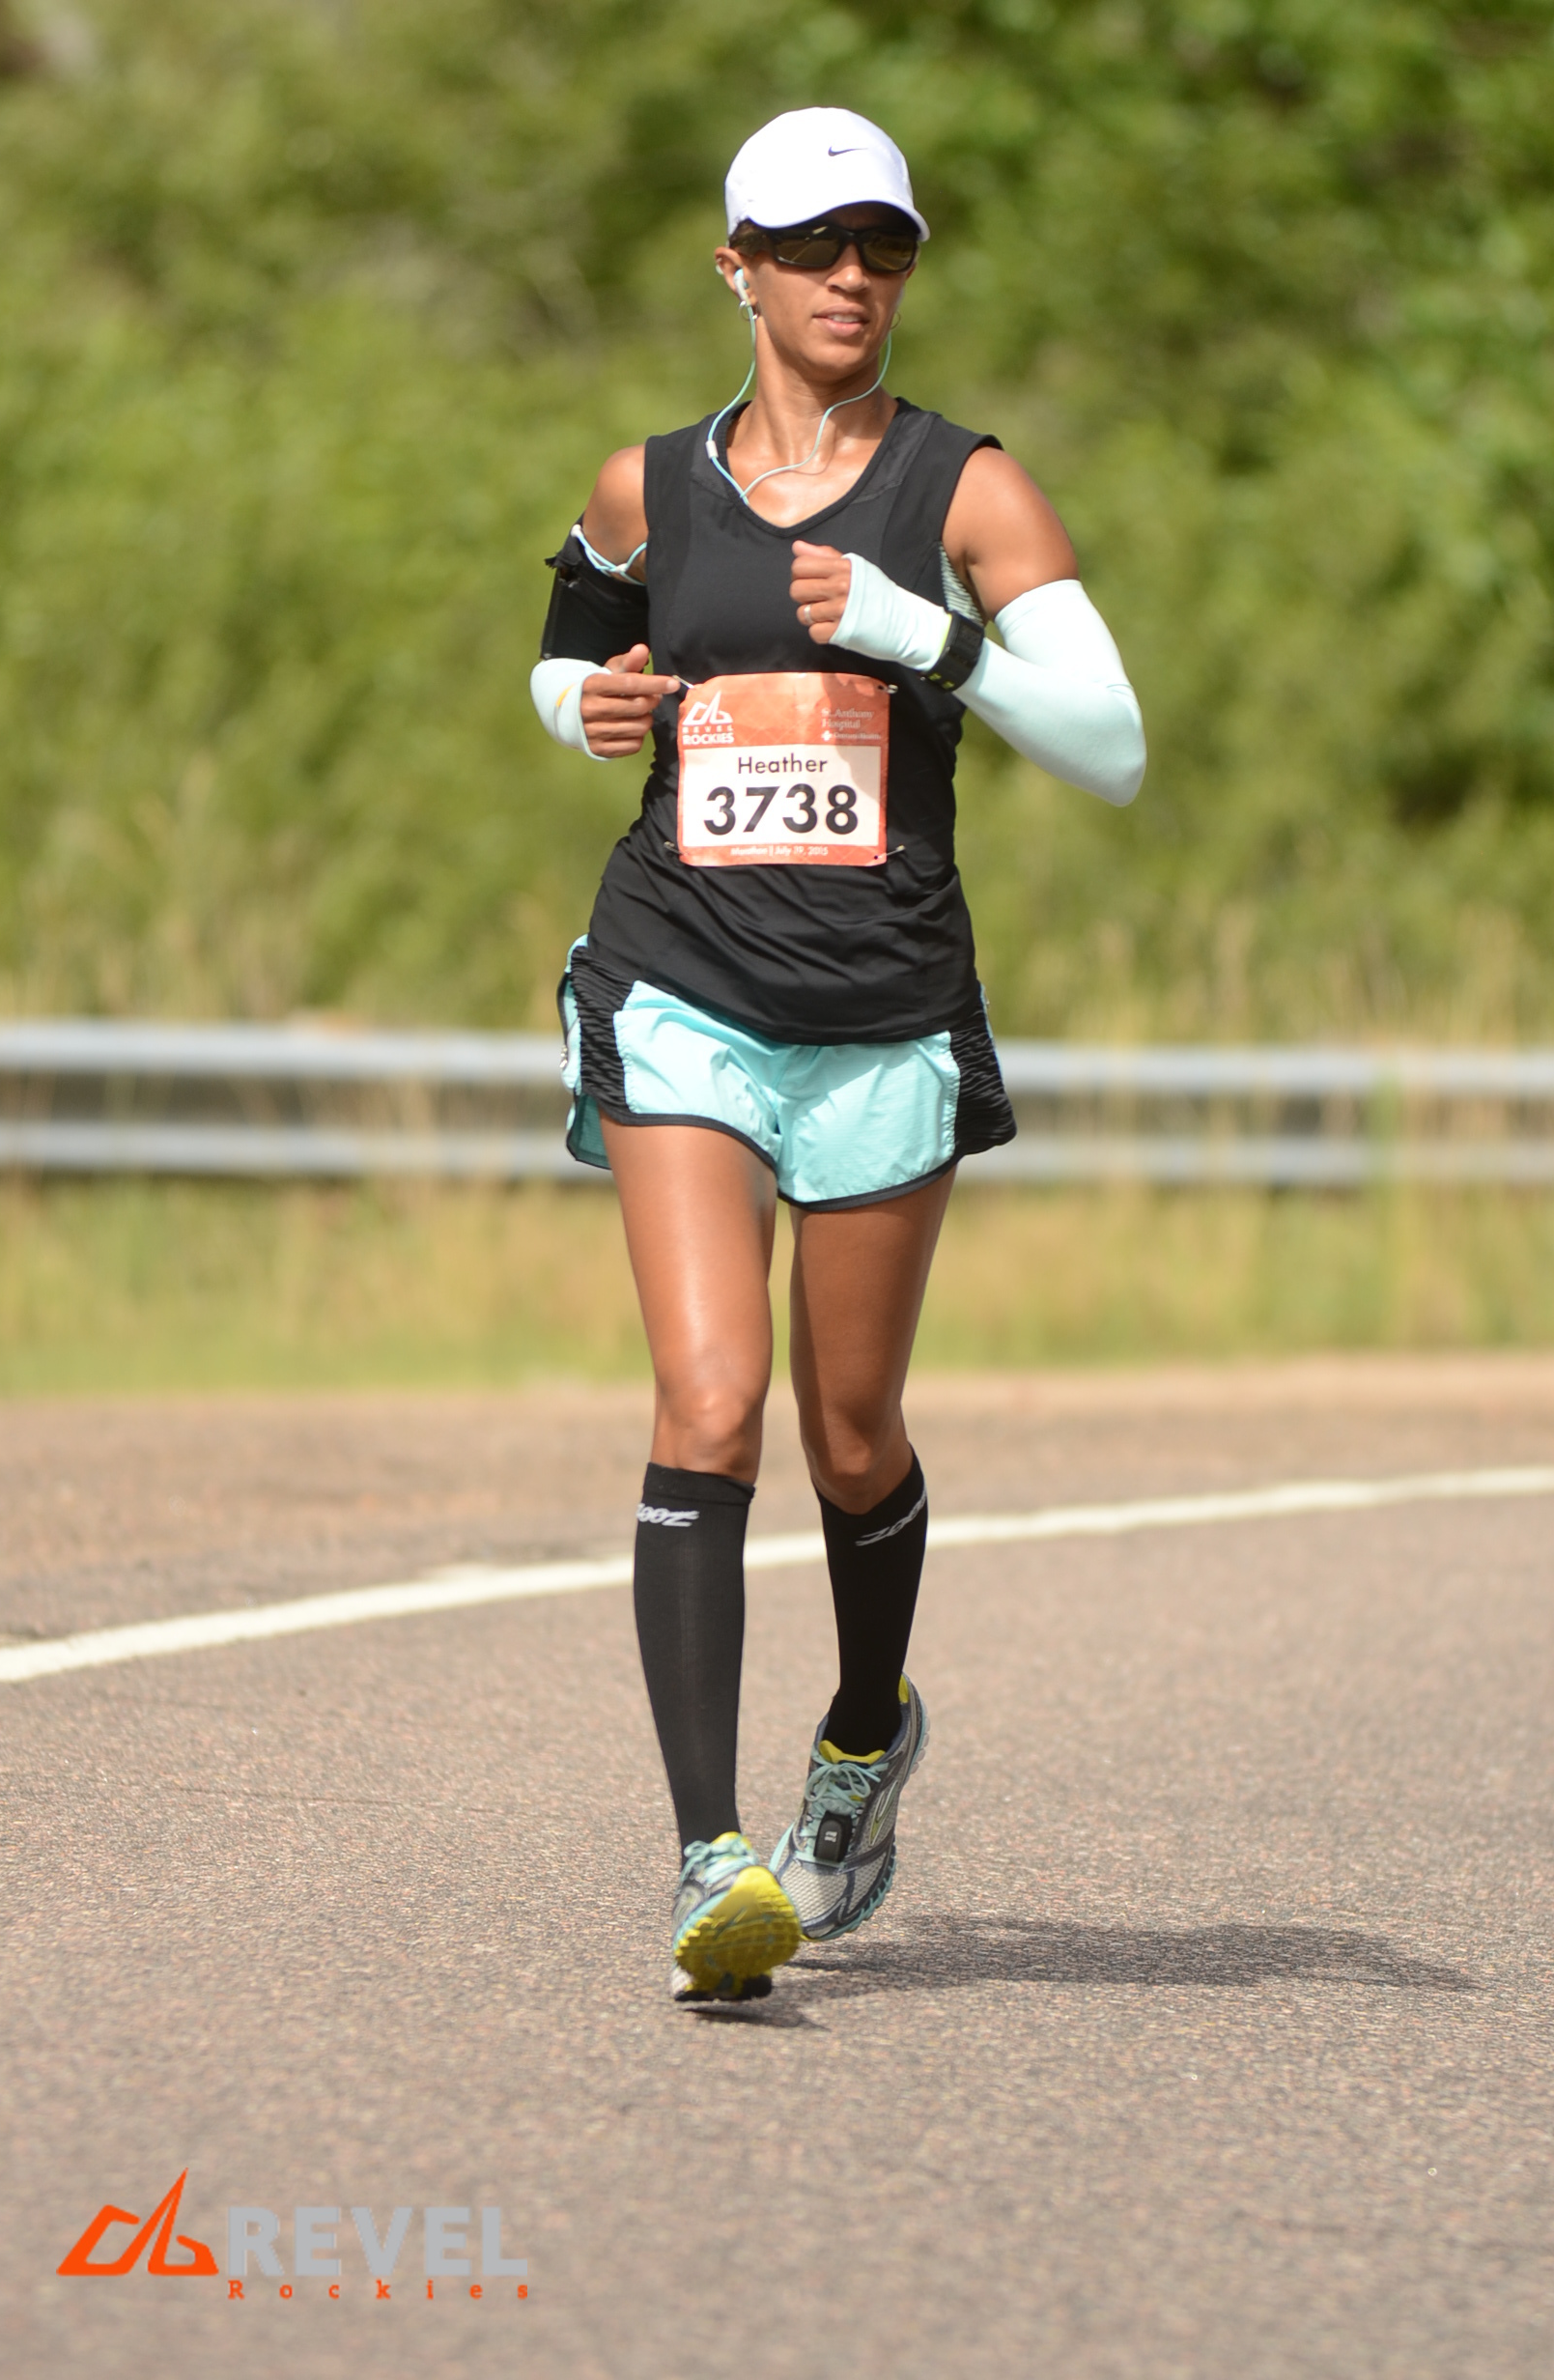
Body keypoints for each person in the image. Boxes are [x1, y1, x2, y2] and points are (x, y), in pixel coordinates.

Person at [531, 107, 1144, 2003]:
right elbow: (565, 643)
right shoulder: (651, 484)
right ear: (739, 267)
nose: (850, 277)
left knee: (849, 1431)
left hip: (881, 1009)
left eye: (883, 245)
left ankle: (865, 1737)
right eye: (811, 246)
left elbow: (1114, 745)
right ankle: (710, 1855)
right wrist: (583, 704)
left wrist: (923, 638)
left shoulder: (969, 492)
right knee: (709, 1401)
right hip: (681, 984)